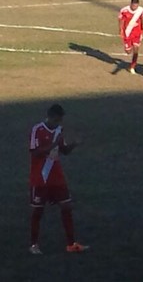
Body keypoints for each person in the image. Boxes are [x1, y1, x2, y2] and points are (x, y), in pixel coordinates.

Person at [29, 104, 89, 255]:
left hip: (57, 176)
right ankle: (34, 245)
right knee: (38, 212)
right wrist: (53, 144)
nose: (60, 121)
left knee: (66, 207)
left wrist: (75, 143)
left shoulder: (58, 131)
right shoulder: (37, 130)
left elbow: (64, 151)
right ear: (52, 116)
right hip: (40, 177)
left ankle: (71, 244)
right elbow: (35, 153)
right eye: (59, 118)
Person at [118, 0, 143, 74]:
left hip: (137, 33)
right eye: (133, 6)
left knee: (136, 50)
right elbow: (120, 19)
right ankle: (127, 47)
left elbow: (142, 18)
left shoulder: (141, 10)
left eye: (136, 6)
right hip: (127, 33)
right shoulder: (124, 10)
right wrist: (120, 29)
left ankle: (132, 67)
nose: (135, 7)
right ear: (131, 4)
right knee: (128, 51)